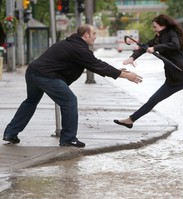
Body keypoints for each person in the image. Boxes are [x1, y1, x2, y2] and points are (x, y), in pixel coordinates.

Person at [3, 24, 142, 148]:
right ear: (86, 35)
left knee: (30, 101)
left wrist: (118, 71)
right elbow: (97, 65)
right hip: (46, 76)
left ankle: (10, 133)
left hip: (33, 72)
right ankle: (68, 139)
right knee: (69, 101)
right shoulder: (78, 48)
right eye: (94, 34)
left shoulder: (71, 44)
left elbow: (95, 64)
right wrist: (124, 76)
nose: (95, 37)